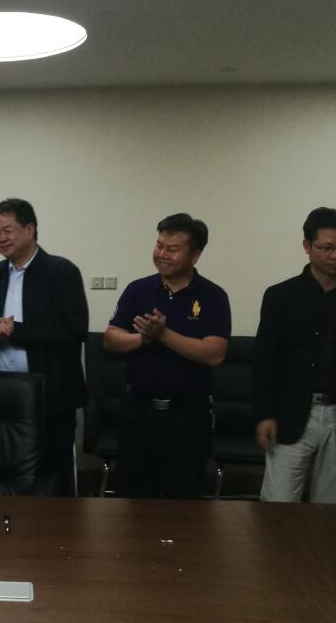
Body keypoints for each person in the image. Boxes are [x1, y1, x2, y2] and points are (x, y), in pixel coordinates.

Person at [253, 207, 336, 504]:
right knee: (278, 506)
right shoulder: (280, 296)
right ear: (307, 246)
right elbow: (264, 363)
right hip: (291, 415)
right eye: (327, 247)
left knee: (333, 509)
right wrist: (264, 414)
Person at [0, 198, 88, 496]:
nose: (0, 239)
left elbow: (74, 329)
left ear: (29, 229)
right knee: (3, 471)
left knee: (51, 477)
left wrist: (16, 331)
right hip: (2, 395)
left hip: (52, 394)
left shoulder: (62, 271)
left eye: (7, 230)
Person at [105, 213, 230, 499]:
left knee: (182, 502)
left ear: (195, 255)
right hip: (138, 412)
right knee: (132, 499)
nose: (162, 254)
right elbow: (111, 339)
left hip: (187, 416)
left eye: (172, 249)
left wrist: (164, 335)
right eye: (159, 246)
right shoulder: (138, 289)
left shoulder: (212, 296)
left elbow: (215, 353)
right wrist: (143, 339)